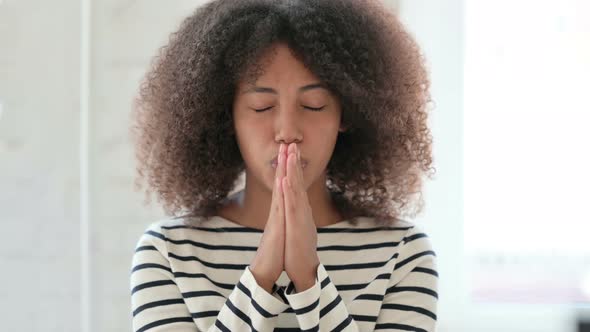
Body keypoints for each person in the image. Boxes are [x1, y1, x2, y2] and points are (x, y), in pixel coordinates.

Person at [129, 0, 438, 331]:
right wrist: (262, 273)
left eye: (313, 105)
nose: (288, 131)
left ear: (346, 114)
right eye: (262, 107)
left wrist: (308, 277)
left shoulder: (402, 253)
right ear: (226, 115)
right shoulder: (169, 253)